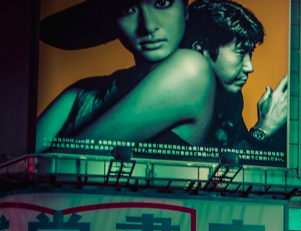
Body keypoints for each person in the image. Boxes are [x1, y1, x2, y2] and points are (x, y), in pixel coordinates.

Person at [36, 0, 215, 152]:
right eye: (127, 9)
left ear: (185, 9)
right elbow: (17, 164)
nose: (148, 26)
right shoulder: (81, 93)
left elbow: (63, 163)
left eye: (162, 3)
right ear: (112, 19)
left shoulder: (190, 69)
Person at [183, 0, 288, 151]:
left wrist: (271, 119)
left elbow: (236, 161)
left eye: (250, 53)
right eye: (240, 52)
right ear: (200, 50)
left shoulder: (231, 98)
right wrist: (264, 128)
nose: (250, 67)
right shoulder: (178, 99)